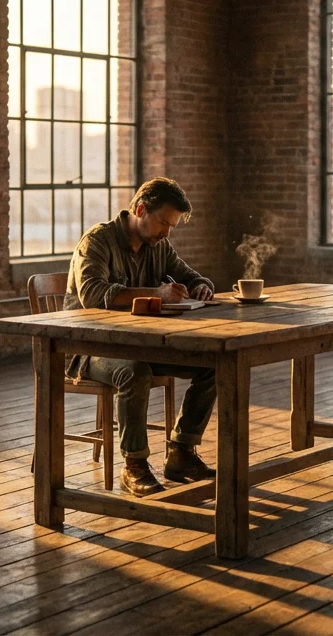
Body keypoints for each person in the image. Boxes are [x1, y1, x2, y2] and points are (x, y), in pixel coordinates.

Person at [64, 177, 218, 497]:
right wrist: (157, 294)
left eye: (172, 226)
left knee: (213, 365)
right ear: (140, 210)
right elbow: (92, 295)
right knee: (134, 372)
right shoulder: (97, 241)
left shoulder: (158, 246)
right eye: (163, 223)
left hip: (139, 345)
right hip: (88, 348)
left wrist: (202, 285)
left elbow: (190, 275)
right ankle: (134, 466)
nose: (167, 233)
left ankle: (181, 453)